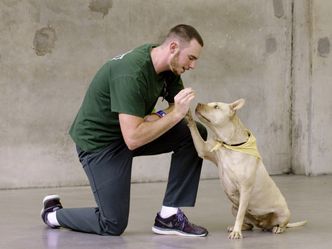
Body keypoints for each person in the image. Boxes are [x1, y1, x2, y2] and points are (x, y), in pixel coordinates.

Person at [41, 24, 208, 237]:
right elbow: (134, 138)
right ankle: (53, 215)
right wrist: (171, 114)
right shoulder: (131, 74)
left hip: (129, 132)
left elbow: (181, 109)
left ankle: (169, 216)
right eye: (191, 58)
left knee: (193, 133)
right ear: (173, 47)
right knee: (112, 224)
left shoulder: (169, 68)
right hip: (100, 145)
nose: (193, 65)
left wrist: (159, 115)